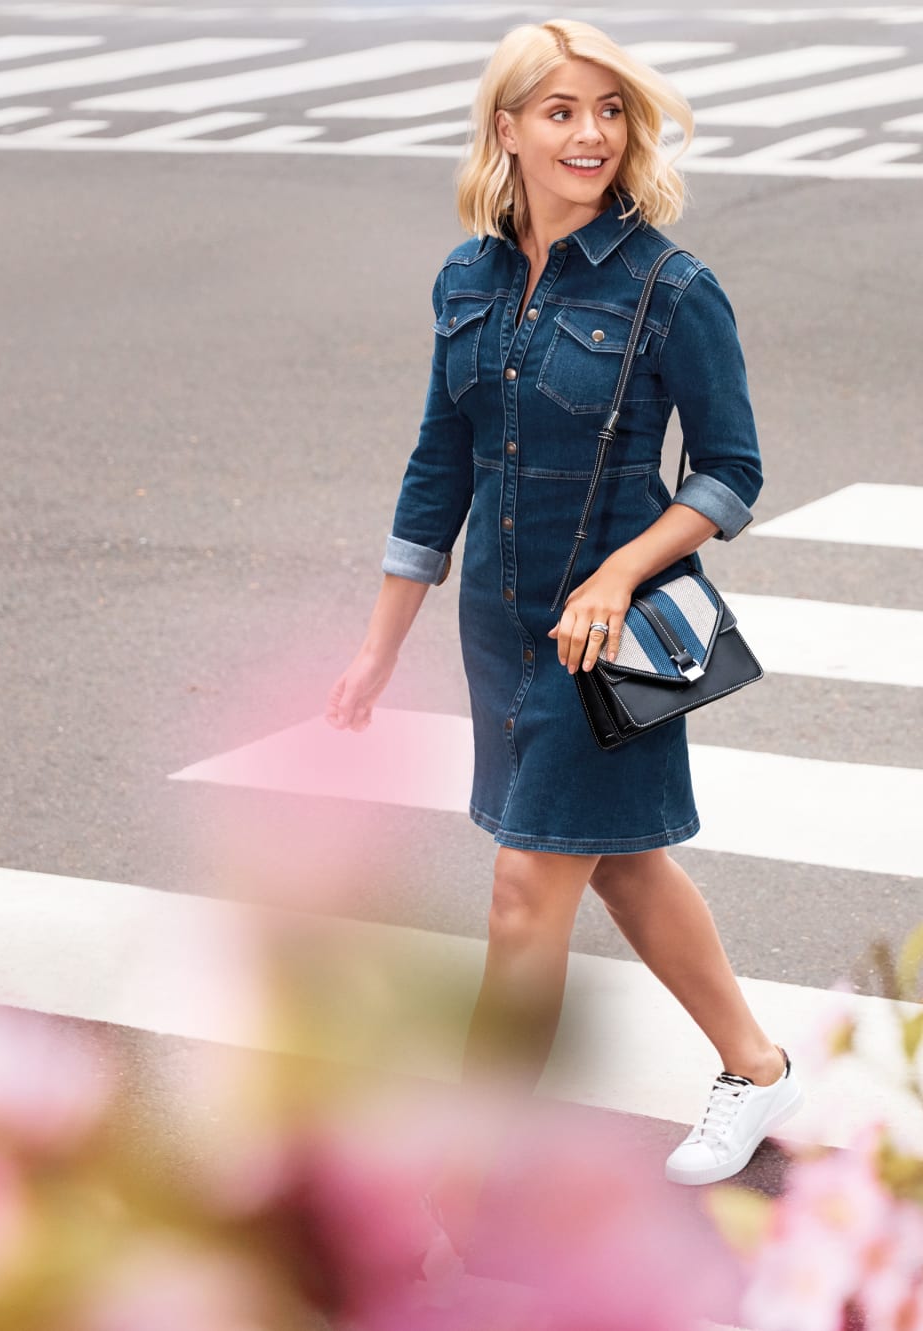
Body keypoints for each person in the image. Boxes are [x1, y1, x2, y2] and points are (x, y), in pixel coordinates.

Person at [326, 18, 804, 1259]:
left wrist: (617, 569)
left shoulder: (670, 287)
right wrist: (381, 641)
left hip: (616, 630)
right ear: (507, 129)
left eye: (607, 111)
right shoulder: (466, 279)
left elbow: (732, 473)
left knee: (527, 887)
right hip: (501, 628)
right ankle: (756, 1066)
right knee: (621, 860)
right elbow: (440, 465)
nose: (588, 133)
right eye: (558, 110)